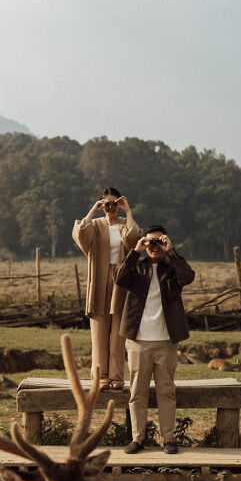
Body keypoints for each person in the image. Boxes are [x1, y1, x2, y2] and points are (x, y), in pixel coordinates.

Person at [115, 225, 194, 454]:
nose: (154, 246)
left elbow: (188, 277)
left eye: (159, 241)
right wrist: (135, 251)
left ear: (166, 242)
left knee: (166, 391)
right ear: (144, 244)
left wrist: (172, 252)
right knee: (137, 392)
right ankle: (137, 439)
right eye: (151, 242)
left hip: (166, 341)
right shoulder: (136, 269)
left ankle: (168, 438)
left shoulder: (172, 270)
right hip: (139, 340)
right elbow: (119, 278)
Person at [72, 187, 140, 389]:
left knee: (119, 333)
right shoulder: (94, 225)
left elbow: (134, 239)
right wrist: (93, 210)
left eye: (114, 203)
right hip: (98, 279)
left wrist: (127, 211)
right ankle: (101, 377)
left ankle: (117, 377)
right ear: (102, 205)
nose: (111, 207)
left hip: (121, 279)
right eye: (106, 204)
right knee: (99, 333)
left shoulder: (123, 224)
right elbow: (80, 234)